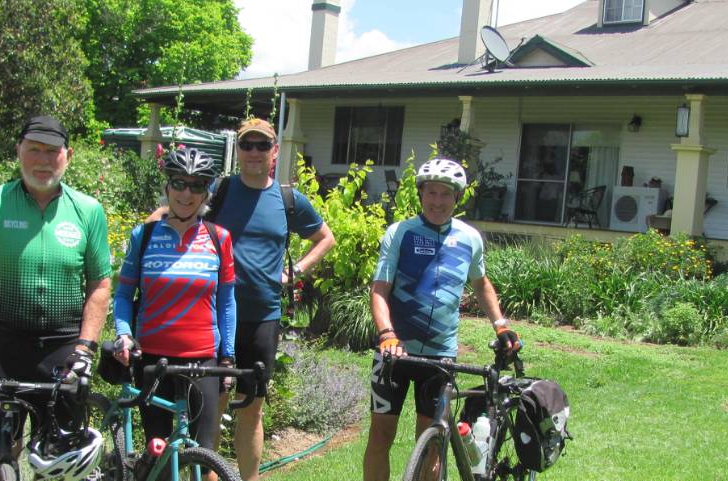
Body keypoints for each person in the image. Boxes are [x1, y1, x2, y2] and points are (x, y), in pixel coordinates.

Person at [151, 118, 335, 481]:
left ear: (274, 151)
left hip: (262, 318)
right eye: (247, 145)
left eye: (261, 145)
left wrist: (294, 271)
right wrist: (148, 235)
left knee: (252, 411)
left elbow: (325, 238)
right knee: (210, 410)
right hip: (213, 317)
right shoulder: (219, 190)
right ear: (238, 150)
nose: (253, 152)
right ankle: (210, 476)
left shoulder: (288, 199)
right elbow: (173, 211)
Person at [0, 115, 112, 459]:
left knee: (59, 461)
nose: (42, 160)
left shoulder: (88, 210)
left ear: (67, 155)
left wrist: (86, 347)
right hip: (2, 345)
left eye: (52, 152)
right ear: (18, 151)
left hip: (62, 349)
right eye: (34, 150)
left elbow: (99, 284)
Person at [362, 157, 520, 481]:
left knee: (434, 442)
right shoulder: (400, 233)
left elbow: (481, 283)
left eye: (445, 194)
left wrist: (500, 324)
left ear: (457, 198)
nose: (438, 201)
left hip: (440, 355)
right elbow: (379, 290)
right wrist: (387, 334)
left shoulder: (469, 238)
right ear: (421, 195)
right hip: (395, 351)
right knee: (380, 436)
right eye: (431, 193)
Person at [112, 147, 236, 466]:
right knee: (159, 456)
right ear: (167, 186)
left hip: (203, 359)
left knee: (203, 453)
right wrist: (124, 335)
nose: (186, 193)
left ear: (206, 192)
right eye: (179, 183)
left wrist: (228, 355)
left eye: (197, 186)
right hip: (153, 359)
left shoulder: (219, 238)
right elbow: (124, 295)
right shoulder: (145, 235)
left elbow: (226, 302)